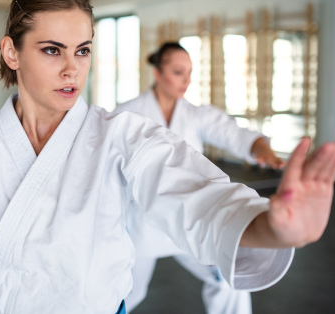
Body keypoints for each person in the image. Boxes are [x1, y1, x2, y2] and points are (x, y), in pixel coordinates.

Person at [0, 0, 335, 314]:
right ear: (12, 53)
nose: (73, 69)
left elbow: (196, 193)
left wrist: (271, 229)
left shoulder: (123, 135)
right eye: (52, 50)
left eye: (84, 50)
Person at [114, 42, 284, 313]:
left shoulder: (195, 114)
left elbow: (230, 132)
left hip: (189, 221)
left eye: (189, 72)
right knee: (124, 293)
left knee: (229, 278)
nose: (187, 80)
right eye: (178, 72)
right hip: (142, 225)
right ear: (158, 74)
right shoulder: (127, 113)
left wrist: (259, 147)